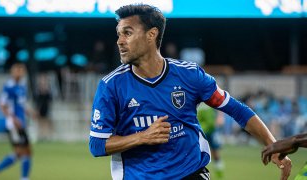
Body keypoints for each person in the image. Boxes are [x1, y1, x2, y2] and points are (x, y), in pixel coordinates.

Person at [88, 4, 291, 179]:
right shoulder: (111, 86)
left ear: (152, 34)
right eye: (119, 34)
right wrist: (142, 137)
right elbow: (97, 145)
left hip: (190, 174)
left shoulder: (190, 75)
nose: (120, 41)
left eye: (128, 33)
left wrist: (273, 145)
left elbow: (237, 110)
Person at [0, 63, 33, 180]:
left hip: (21, 123)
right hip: (13, 125)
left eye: (22, 70)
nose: (21, 73)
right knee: (24, 152)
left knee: (21, 152)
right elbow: (2, 105)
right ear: (13, 72)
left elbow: (20, 104)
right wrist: (13, 119)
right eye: (18, 70)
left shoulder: (22, 86)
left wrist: (29, 112)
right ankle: (23, 178)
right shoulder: (8, 86)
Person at [197, 104, 224, 179]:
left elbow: (212, 122)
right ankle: (210, 175)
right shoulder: (198, 104)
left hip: (210, 131)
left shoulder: (207, 102)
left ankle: (220, 175)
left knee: (215, 153)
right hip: (204, 131)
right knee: (204, 155)